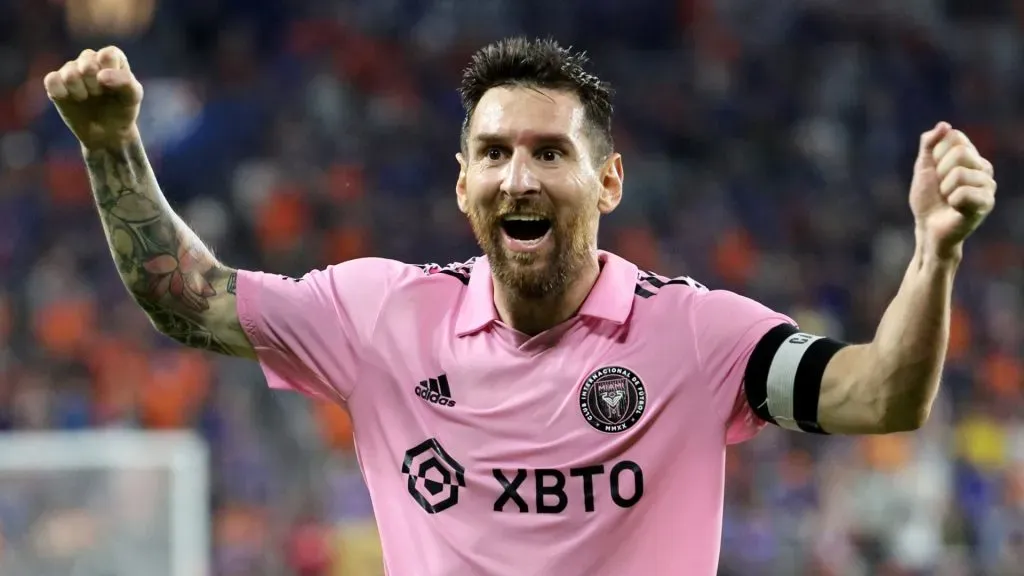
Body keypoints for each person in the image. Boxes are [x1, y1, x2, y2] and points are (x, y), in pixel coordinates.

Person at [44, 37, 996, 575]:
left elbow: (880, 397)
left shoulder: (697, 336)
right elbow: (188, 299)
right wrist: (110, 147)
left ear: (609, 181)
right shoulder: (379, 319)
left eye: (550, 151)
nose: (519, 175)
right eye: (495, 153)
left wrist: (934, 254)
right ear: (462, 186)